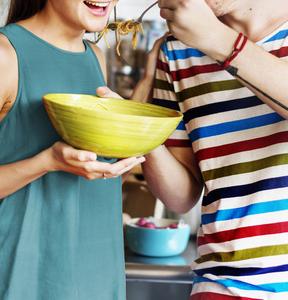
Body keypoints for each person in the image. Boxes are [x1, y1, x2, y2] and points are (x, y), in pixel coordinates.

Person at [99, 0, 288, 299]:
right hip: (221, 284)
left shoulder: (206, 35)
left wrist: (216, 39)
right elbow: (181, 196)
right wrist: (143, 132)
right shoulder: (177, 49)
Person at [0, 1, 147, 299]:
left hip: (96, 273)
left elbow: (81, 183)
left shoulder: (95, 57)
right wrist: (47, 162)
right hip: (20, 277)